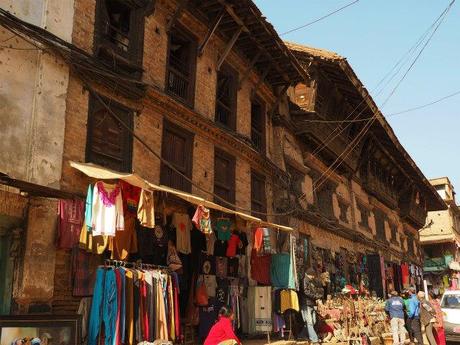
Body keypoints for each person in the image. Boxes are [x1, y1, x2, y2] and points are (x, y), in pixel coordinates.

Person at [298, 268, 323, 343]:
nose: (314, 277)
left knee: (313, 321)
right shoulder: (304, 280)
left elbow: (313, 291)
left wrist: (317, 297)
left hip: (311, 303)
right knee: (309, 322)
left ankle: (301, 336)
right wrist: (315, 297)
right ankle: (314, 339)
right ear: (309, 274)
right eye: (313, 275)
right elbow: (306, 291)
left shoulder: (310, 281)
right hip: (306, 303)